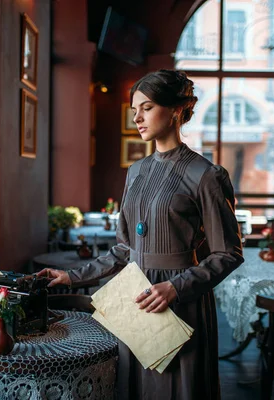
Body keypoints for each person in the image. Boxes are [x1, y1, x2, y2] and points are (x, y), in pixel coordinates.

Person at [38, 69, 244, 399]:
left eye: (146, 108)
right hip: (134, 300)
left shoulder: (206, 175)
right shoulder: (136, 172)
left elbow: (229, 254)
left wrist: (177, 288)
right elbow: (124, 248)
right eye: (134, 110)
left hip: (180, 302)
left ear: (176, 110)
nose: (137, 117)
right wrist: (73, 276)